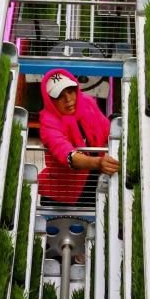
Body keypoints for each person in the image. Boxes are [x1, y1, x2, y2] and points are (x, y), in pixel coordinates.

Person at [38, 68, 119, 209]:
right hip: (63, 197)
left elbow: (108, 130)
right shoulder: (48, 122)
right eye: (59, 96)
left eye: (70, 91)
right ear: (50, 101)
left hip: (93, 187)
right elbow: (66, 154)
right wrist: (98, 162)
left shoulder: (87, 104)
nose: (68, 99)